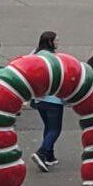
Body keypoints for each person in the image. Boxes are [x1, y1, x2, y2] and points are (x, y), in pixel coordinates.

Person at [31, 29, 65, 169]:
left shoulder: (34, 54)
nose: (58, 42)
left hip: (39, 99)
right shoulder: (55, 58)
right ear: (50, 42)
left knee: (48, 126)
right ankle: (41, 152)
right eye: (56, 40)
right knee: (55, 129)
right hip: (54, 99)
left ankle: (49, 156)